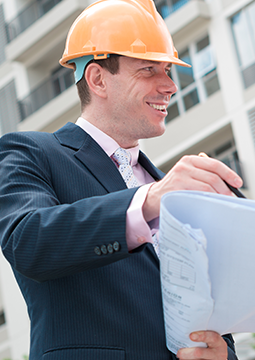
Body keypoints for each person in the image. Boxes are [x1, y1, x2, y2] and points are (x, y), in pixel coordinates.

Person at [0, 0, 239, 359]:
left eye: (167, 71)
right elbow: (28, 241)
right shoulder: (30, 153)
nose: (170, 86)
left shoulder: (165, 186)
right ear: (97, 79)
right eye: (149, 70)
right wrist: (148, 201)